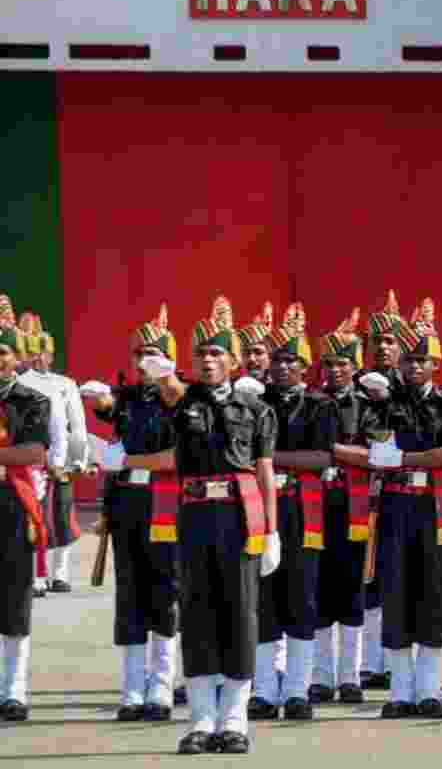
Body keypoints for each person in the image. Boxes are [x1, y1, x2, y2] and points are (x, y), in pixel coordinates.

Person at [97, 295, 279, 754]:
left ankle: (234, 718)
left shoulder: (256, 409)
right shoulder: (182, 403)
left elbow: (264, 473)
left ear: (234, 361)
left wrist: (272, 531)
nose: (208, 359)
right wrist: (162, 373)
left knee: (239, 613)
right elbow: (175, 394)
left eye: (217, 353)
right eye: (201, 353)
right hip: (195, 517)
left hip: (240, 518)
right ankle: (201, 718)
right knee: (197, 613)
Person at [357, 298, 442, 719]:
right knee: (396, 590)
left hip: (436, 507)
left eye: (423, 360)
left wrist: (403, 459)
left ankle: (429, 687)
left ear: (436, 364)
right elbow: (375, 445)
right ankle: (400, 688)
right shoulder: (384, 400)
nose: (415, 366)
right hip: (396, 506)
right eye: (410, 359)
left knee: (434, 592)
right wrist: (408, 455)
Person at [79, 304, 182, 721]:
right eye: (140, 354)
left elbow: (178, 456)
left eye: (154, 354)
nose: (145, 361)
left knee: (164, 591)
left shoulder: (179, 400)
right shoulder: (129, 397)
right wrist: (94, 399)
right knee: (130, 593)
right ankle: (132, 688)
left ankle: (160, 686)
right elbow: (108, 406)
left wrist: (128, 461)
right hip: (128, 503)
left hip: (165, 501)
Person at [249, 305, 336, 722]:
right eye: (278, 360)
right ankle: (265, 688)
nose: (283, 367)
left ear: (304, 367)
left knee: (301, 596)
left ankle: (298, 689)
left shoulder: (319, 407)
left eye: (292, 361)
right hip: (261, 509)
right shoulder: (253, 404)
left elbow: (321, 458)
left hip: (303, 510)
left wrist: (268, 456)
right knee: (264, 599)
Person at [309, 308, 373, 705]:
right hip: (314, 505)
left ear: (356, 365)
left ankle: (350, 675)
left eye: (343, 363)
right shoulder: (310, 404)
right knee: (317, 589)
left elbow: (377, 455)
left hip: (355, 504)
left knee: (351, 589)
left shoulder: (369, 405)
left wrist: (334, 452)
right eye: (329, 363)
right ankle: (320, 675)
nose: (335, 370)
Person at [0, 299, 53, 722]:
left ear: (17, 359)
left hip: (12, 502)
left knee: (15, 597)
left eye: (2, 352)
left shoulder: (32, 400)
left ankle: (14, 689)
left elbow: (35, 451)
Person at [355, 290, 409, 692]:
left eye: (392, 341)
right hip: (360, 491)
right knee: (365, 576)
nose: (384, 348)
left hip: (404, 492)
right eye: (379, 341)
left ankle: (394, 660)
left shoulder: (411, 388)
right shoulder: (354, 387)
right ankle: (367, 662)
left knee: (397, 575)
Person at [17, 312, 88, 595]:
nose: (37, 359)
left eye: (42, 353)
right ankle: (37, 576)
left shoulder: (65, 384)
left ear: (51, 355)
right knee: (35, 519)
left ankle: (60, 574)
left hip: (61, 463)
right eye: (32, 353)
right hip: (31, 463)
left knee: (62, 518)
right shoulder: (20, 385)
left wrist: (78, 459)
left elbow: (77, 425)